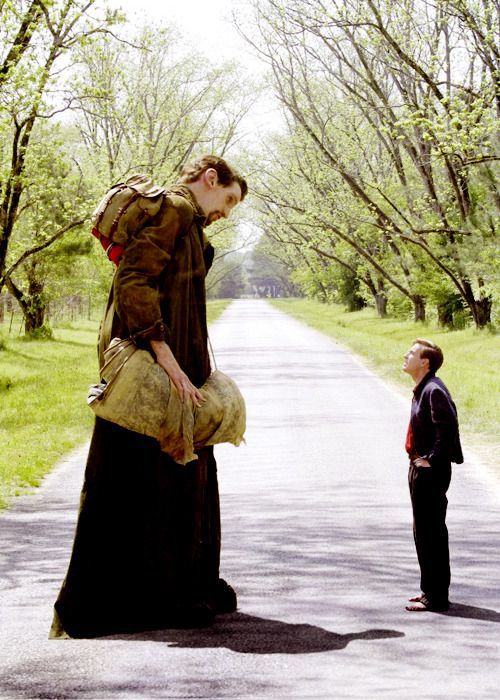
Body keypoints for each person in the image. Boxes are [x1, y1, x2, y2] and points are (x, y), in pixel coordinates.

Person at [50, 155, 248, 638]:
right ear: (209, 179)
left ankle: (186, 583)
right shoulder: (175, 211)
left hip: (178, 363)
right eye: (227, 200)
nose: (227, 213)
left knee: (177, 470)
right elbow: (133, 281)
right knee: (148, 473)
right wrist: (167, 357)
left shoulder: (190, 223)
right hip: (154, 365)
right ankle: (154, 595)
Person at [403, 338, 463, 612]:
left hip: (430, 472)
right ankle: (429, 590)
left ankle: (437, 597)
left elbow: (447, 429)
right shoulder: (423, 388)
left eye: (413, 353)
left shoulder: (434, 390)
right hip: (419, 468)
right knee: (423, 532)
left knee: (433, 533)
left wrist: (431, 460)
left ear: (425, 362)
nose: (407, 355)